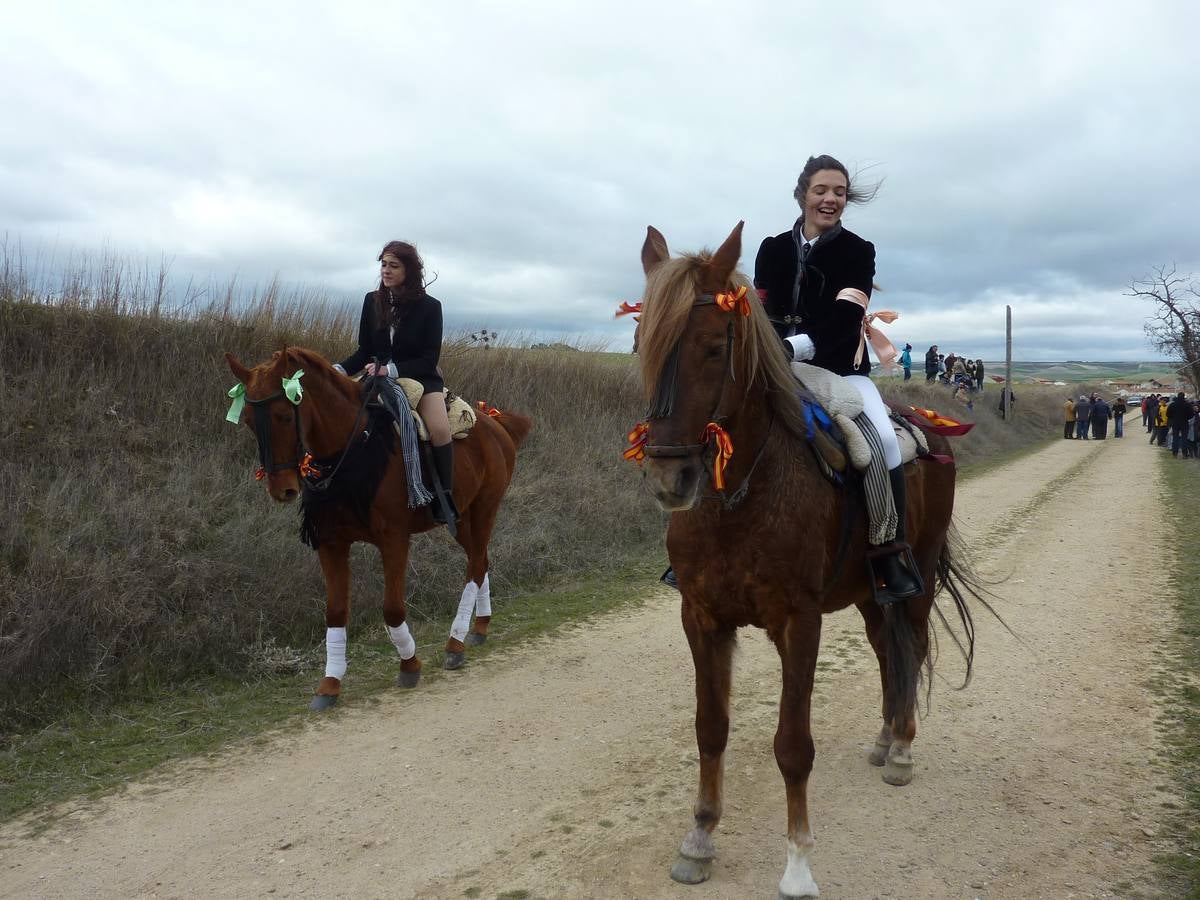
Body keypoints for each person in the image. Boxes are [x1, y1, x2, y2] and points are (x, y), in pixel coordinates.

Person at [752, 153, 920, 603]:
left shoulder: (858, 251)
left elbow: (846, 318)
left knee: (883, 440)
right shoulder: (771, 248)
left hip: (839, 368)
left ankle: (889, 551)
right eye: (821, 190)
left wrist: (791, 347)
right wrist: (768, 348)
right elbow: (761, 310)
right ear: (803, 194)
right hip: (776, 365)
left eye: (839, 192)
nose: (830, 199)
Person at [335, 240, 457, 524]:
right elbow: (364, 351)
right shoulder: (371, 300)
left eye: (393, 265)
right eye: (383, 264)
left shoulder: (430, 307)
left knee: (439, 430)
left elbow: (429, 359)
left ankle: (444, 497)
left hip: (421, 379)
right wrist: (337, 370)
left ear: (409, 270)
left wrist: (389, 370)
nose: (386, 271)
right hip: (376, 377)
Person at [1167, 392, 1192, 457]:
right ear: (1184, 397)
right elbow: (1191, 415)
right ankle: (1184, 454)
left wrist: (1173, 417)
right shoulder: (1187, 404)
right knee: (1184, 439)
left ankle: (1175, 453)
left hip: (1175, 423)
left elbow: (1168, 414)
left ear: (1177, 396)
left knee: (1175, 438)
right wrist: (1186, 417)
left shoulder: (1172, 404)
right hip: (1184, 423)